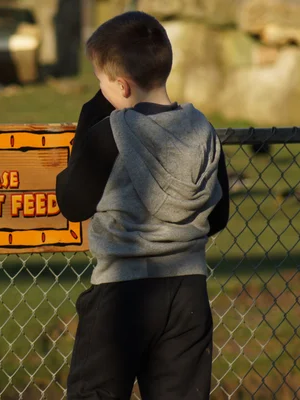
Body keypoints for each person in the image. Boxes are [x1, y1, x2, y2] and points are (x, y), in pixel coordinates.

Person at [55, 11, 230, 400]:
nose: (100, 92)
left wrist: (88, 125)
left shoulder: (109, 135)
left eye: (101, 83)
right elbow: (218, 214)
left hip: (120, 296)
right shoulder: (203, 130)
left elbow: (73, 203)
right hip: (188, 293)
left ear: (121, 86)